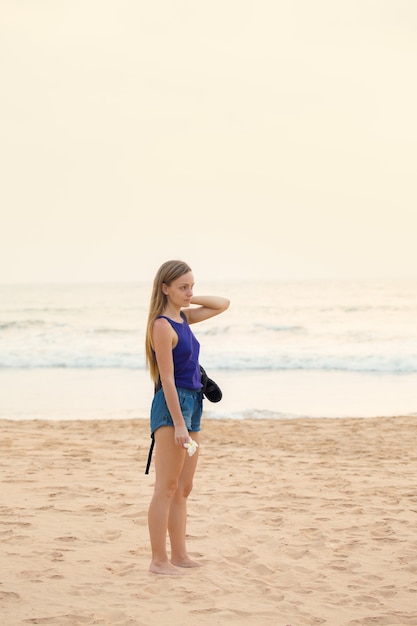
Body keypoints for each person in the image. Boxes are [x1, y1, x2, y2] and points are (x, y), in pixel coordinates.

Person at [145, 260, 230, 575]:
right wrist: (178, 424)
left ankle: (179, 555)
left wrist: (189, 297)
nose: (190, 292)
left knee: (183, 487)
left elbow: (223, 304)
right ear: (164, 288)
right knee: (165, 486)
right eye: (183, 286)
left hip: (194, 402)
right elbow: (167, 378)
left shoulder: (183, 318)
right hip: (173, 406)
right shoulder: (162, 325)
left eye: (192, 285)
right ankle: (158, 561)